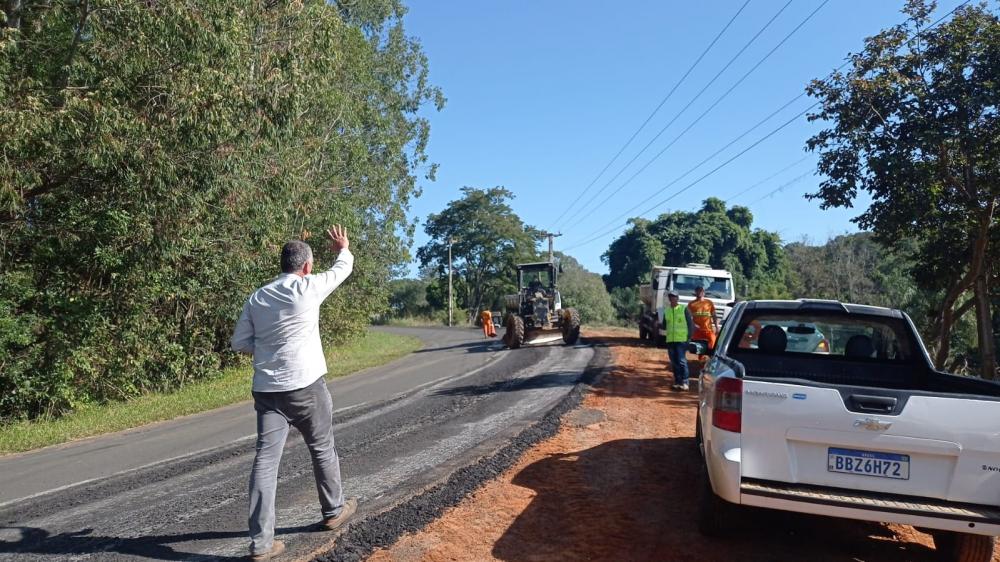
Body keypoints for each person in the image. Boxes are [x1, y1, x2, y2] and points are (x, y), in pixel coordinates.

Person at [231, 225, 358, 560]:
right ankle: (332, 512)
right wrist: (342, 248)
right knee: (322, 449)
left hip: (267, 392)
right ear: (305, 267)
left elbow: (239, 343)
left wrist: (267, 349)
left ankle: (261, 544)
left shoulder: (257, 297)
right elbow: (342, 270)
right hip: (306, 387)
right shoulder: (308, 288)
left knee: (265, 462)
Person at [663, 290, 695, 391]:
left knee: (681, 361)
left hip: (682, 340)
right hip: (670, 340)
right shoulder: (667, 311)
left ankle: (685, 382)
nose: (672, 299)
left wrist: (688, 338)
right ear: (669, 299)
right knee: (674, 362)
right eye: (671, 297)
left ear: (677, 298)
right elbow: (664, 325)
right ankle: (678, 382)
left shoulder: (683, 309)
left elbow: (690, 325)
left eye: (674, 297)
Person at [687, 286, 719, 351]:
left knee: (713, 344)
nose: (700, 292)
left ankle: (709, 358)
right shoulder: (691, 304)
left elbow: (714, 315)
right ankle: (701, 358)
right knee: (697, 347)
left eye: (701, 291)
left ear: (704, 292)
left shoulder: (709, 303)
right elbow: (688, 317)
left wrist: (717, 327)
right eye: (698, 291)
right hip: (697, 330)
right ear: (695, 292)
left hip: (708, 330)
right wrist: (693, 325)